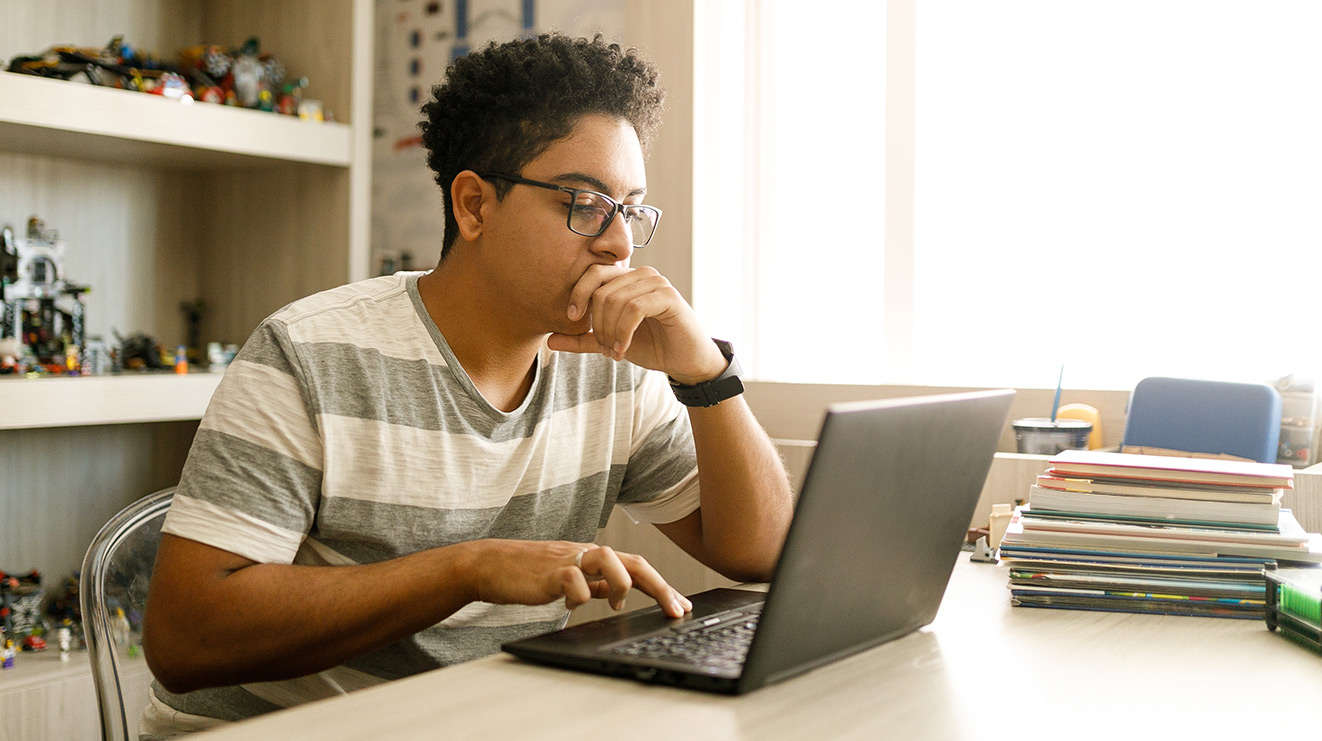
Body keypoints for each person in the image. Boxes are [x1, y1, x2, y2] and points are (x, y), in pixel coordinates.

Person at [140, 33, 792, 735]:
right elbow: (185, 640)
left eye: (630, 209)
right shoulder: (309, 353)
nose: (618, 244)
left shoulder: (613, 370)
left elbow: (756, 551)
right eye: (585, 203)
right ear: (474, 206)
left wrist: (706, 376)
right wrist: (470, 568)